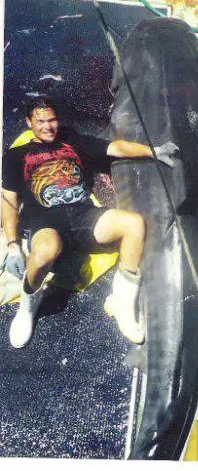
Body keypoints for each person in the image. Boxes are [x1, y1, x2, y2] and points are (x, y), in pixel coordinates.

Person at [1, 96, 178, 349]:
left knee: (134, 224)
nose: (48, 126)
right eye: (41, 121)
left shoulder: (71, 140)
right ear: (29, 122)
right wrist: (12, 244)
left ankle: (122, 302)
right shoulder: (16, 156)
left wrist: (153, 151)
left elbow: (114, 147)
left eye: (52, 120)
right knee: (44, 251)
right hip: (45, 219)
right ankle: (28, 306)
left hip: (83, 214)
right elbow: (8, 202)